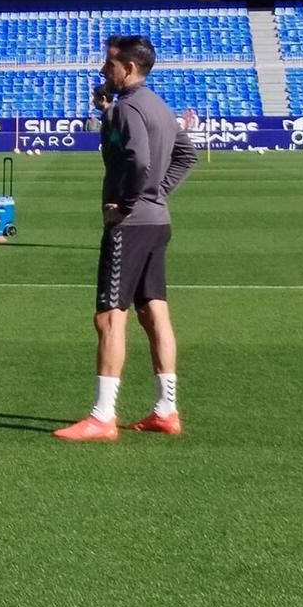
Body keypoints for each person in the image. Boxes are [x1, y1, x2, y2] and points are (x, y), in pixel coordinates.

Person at [55, 35, 198, 441]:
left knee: (108, 316)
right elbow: (187, 156)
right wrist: (158, 195)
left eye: (109, 65)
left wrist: (130, 201)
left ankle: (102, 416)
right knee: (154, 313)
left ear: (129, 68)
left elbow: (138, 158)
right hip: (157, 224)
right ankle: (166, 409)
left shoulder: (128, 108)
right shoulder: (159, 106)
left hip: (130, 225)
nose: (104, 71)